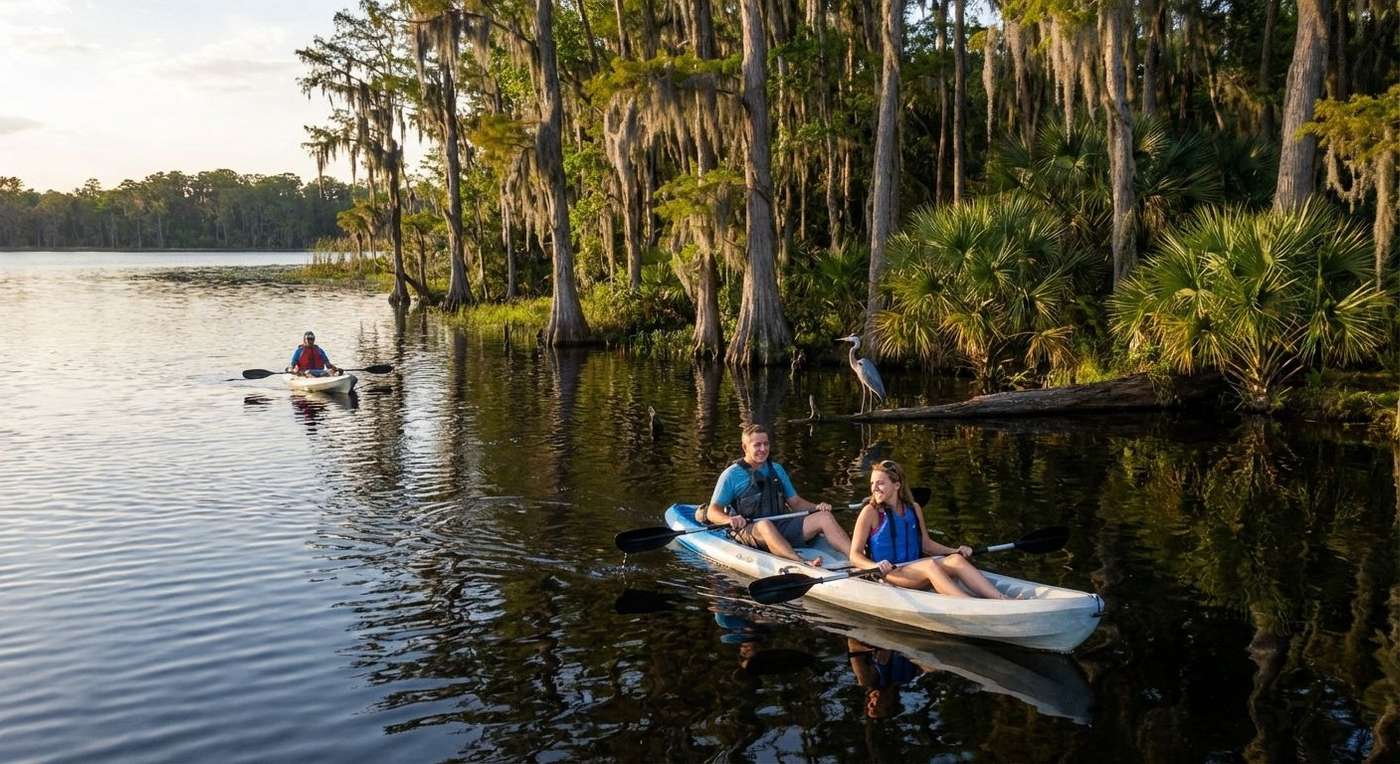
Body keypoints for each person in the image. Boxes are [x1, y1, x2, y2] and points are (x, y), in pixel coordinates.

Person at [848, 460, 1006, 599]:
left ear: (897, 485)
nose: (874, 488)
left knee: (956, 560)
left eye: (880, 483)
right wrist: (874, 566)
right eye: (872, 483)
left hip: (913, 568)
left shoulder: (914, 508)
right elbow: (854, 555)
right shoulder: (870, 512)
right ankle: (969, 604)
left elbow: (926, 545)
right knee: (930, 565)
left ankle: (1002, 599)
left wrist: (955, 550)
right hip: (890, 573)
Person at [705, 423, 852, 566]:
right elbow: (713, 511)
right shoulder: (731, 475)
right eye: (757, 445)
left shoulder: (777, 469)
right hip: (749, 530)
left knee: (824, 517)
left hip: (780, 526)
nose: (763, 449)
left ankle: (857, 558)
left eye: (766, 444)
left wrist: (818, 507)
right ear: (745, 447)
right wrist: (729, 519)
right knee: (764, 524)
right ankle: (801, 562)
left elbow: (795, 502)